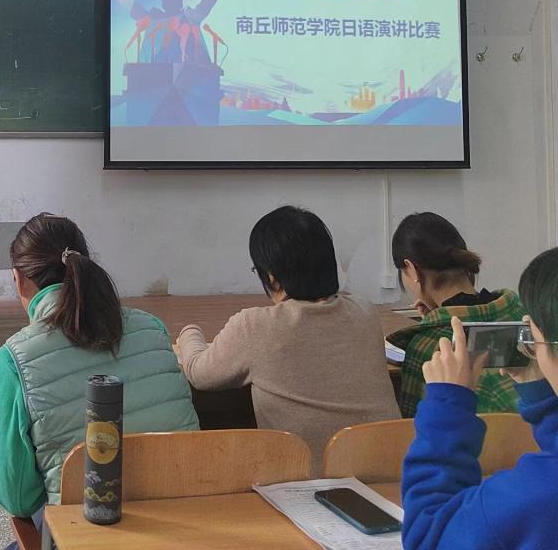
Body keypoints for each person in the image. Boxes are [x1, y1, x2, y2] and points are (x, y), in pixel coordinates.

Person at [0, 213, 199, 521]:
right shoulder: (151, 328)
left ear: (19, 279)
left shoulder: (13, 359)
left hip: (85, 529)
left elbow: (16, 497)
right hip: (188, 518)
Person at [178, 205, 399, 462]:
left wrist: (189, 332)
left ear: (272, 277)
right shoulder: (365, 311)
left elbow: (198, 373)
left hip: (308, 480)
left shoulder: (255, 326)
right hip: (391, 472)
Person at [401, 248, 558, 550]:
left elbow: (429, 537)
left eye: (535, 338)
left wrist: (447, 406)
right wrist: (542, 397)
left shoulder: (529, 498)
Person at [388, 211, 524, 416]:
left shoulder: (429, 347)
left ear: (411, 269)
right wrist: (436, 319)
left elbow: (416, 425)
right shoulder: (523, 314)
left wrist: (433, 327)